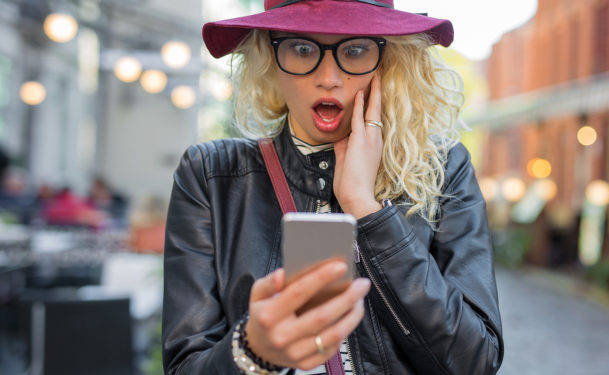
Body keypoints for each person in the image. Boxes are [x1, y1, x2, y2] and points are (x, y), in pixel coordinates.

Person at [162, 1, 504, 374]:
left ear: (387, 59)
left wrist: (367, 209)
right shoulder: (212, 176)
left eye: (355, 50)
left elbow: (475, 360)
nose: (328, 77)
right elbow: (185, 365)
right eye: (302, 48)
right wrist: (251, 351)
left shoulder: (443, 169)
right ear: (270, 58)